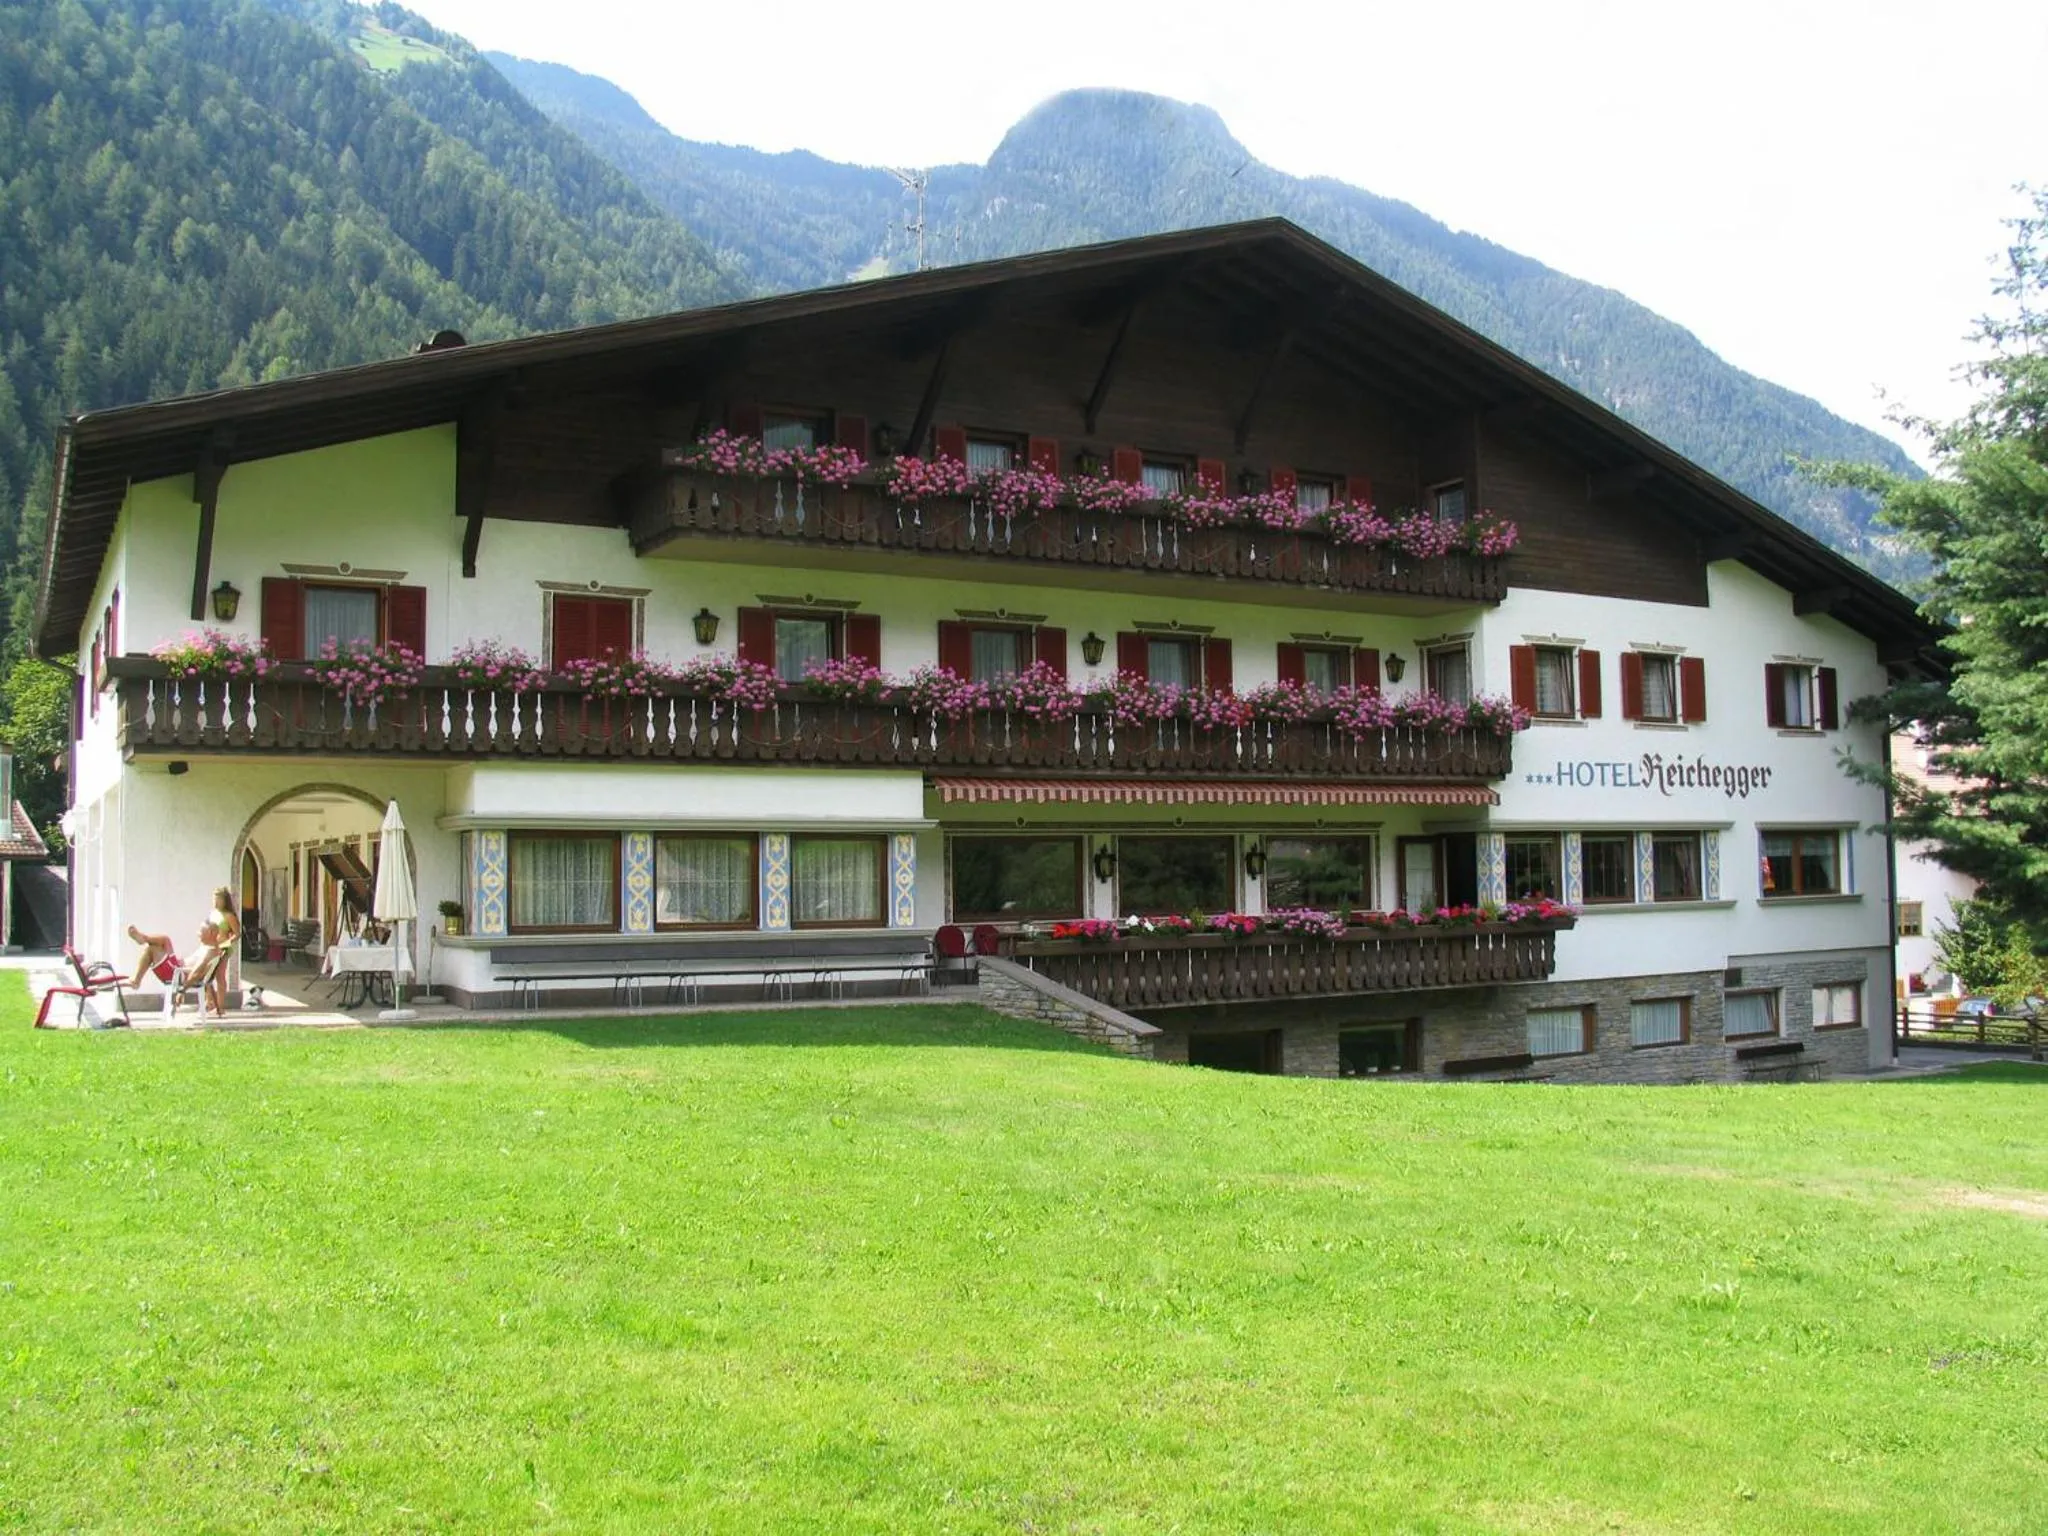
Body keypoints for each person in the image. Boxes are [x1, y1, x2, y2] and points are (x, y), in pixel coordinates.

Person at [189, 887, 241, 1021]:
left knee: (219, 976)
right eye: (214, 898)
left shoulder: (228, 916)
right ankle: (209, 1002)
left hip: (223, 949)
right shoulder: (212, 914)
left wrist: (227, 943)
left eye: (219, 899)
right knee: (206, 974)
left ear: (225, 900)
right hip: (210, 947)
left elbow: (237, 934)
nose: (216, 901)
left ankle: (221, 1005)